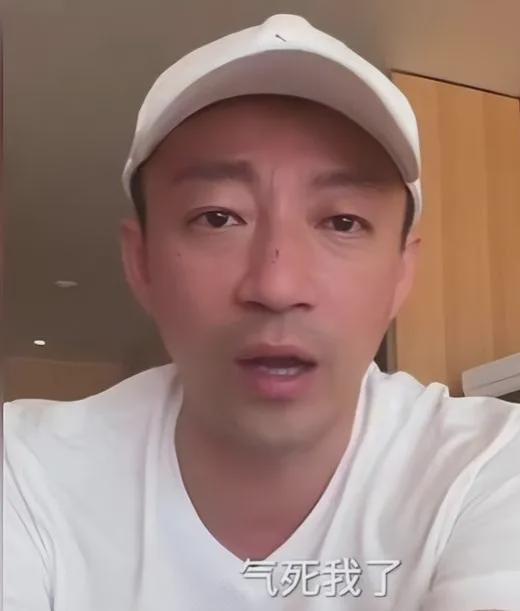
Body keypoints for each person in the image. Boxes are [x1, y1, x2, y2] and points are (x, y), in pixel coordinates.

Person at [4, 14, 520, 611]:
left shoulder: (489, 467)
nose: (276, 285)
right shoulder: (27, 469)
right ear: (141, 262)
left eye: (342, 221)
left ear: (402, 274)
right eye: (218, 217)